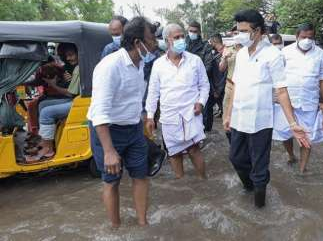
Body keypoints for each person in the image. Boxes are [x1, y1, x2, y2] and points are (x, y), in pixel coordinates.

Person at [223, 9, 310, 208]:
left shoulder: (272, 54)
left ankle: (259, 209)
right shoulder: (242, 54)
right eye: (238, 30)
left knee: (259, 168)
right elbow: (235, 84)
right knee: (236, 158)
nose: (240, 35)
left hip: (261, 122)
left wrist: (292, 123)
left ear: (258, 31)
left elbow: (281, 91)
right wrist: (228, 114)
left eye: (244, 30)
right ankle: (250, 188)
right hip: (238, 118)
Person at [87, 17, 158, 228]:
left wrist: (145, 119)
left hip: (134, 129)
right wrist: (109, 151)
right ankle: (116, 229)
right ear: (138, 43)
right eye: (152, 38)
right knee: (112, 181)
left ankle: (143, 225)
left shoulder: (142, 63)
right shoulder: (109, 66)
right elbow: (100, 112)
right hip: (108, 131)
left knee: (141, 175)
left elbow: (135, 97)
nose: (155, 43)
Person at [145, 23, 210, 179]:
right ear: (167, 40)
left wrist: (201, 102)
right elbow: (153, 92)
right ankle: (182, 184)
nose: (182, 40)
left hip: (191, 113)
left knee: (194, 149)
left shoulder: (195, 61)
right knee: (174, 153)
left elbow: (204, 85)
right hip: (169, 116)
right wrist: (149, 116)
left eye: (182, 36)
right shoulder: (158, 65)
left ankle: (204, 182)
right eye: (177, 37)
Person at [272, 23, 323, 173]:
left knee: (307, 136)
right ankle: (291, 155)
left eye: (310, 37)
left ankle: (302, 170)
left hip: (310, 101)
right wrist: (275, 96)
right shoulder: (285, 52)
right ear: (297, 36)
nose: (307, 40)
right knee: (285, 133)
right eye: (304, 37)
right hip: (287, 101)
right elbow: (278, 77)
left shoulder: (320, 54)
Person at [25, 44, 80, 163]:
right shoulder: (71, 67)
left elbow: (71, 94)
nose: (69, 58)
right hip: (76, 99)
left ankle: (48, 149)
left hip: (80, 101)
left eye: (71, 55)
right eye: (67, 56)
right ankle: (44, 139)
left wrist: (52, 83)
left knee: (46, 112)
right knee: (42, 104)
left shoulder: (78, 68)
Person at [185, 21, 215, 132]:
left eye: (195, 31)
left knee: (204, 112)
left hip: (201, 83)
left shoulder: (205, 46)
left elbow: (208, 65)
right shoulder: (183, 44)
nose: (192, 33)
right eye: (190, 31)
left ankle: (204, 133)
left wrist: (195, 77)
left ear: (199, 32)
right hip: (186, 85)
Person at [219, 27, 241, 143]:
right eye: (235, 33)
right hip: (230, 86)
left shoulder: (249, 49)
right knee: (227, 116)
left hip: (244, 88)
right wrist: (224, 57)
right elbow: (221, 69)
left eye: (239, 33)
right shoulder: (228, 49)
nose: (237, 35)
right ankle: (232, 144)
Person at [208, 34, 227, 118]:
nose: (210, 44)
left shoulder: (225, 53)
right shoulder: (215, 54)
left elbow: (224, 75)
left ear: (214, 41)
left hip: (223, 88)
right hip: (217, 88)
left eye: (210, 42)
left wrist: (218, 90)